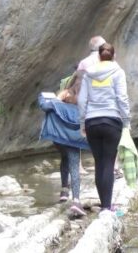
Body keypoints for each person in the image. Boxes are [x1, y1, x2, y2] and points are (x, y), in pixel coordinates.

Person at [78, 42, 131, 213]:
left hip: (92, 122)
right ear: (113, 56)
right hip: (112, 121)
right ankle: (107, 207)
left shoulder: (88, 74)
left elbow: (82, 100)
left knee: (99, 162)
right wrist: (126, 121)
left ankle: (104, 205)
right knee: (108, 162)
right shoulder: (118, 72)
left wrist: (82, 122)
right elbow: (122, 98)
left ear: (99, 56)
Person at [38, 83, 89, 218]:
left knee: (64, 158)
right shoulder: (81, 110)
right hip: (74, 140)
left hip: (59, 140)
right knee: (74, 166)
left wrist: (58, 98)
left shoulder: (56, 105)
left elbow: (43, 105)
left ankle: (64, 192)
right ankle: (76, 200)